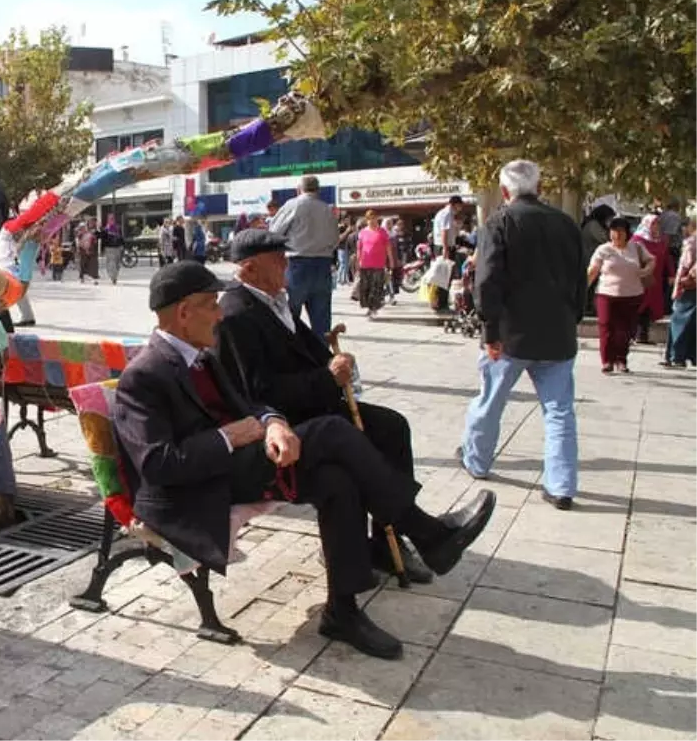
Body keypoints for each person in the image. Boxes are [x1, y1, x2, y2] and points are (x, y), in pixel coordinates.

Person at [115, 260, 496, 658]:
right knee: (330, 429)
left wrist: (274, 422)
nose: (220, 313)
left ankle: (342, 611)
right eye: (212, 304)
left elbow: (250, 403)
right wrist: (226, 438)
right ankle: (427, 533)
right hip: (196, 491)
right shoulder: (144, 375)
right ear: (183, 313)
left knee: (337, 481)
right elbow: (158, 465)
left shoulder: (201, 355)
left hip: (237, 465)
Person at [215, 230, 435, 583]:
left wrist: (337, 363)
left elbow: (309, 351)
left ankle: (387, 538)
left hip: (311, 405)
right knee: (348, 448)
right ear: (250, 268)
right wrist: (325, 379)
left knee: (391, 427)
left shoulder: (274, 301)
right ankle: (419, 529)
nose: (286, 266)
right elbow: (257, 392)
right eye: (278, 260)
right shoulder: (236, 314)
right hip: (285, 421)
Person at [460, 160, 586, 510]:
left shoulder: (498, 223)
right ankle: (561, 486)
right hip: (558, 333)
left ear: (504, 192)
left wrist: (490, 329)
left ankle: (477, 461)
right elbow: (580, 279)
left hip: (511, 335)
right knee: (560, 411)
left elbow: (486, 282)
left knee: (490, 401)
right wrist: (572, 317)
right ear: (539, 188)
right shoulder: (566, 224)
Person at [269, 175, 338, 339]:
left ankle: (291, 354)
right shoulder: (327, 209)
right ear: (318, 190)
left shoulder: (293, 205)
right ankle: (322, 357)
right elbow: (335, 239)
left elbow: (273, 233)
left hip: (296, 264)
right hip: (322, 264)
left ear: (298, 189)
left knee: (290, 316)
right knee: (321, 319)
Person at [588, 216, 655, 374]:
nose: (617, 234)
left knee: (624, 330)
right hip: (606, 294)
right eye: (613, 231)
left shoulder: (637, 247)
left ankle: (621, 359)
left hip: (632, 295)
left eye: (620, 231)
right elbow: (592, 271)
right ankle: (606, 361)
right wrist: (580, 289)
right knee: (606, 326)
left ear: (627, 233)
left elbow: (652, 260)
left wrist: (646, 270)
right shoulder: (603, 249)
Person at [632, 214, 673, 343]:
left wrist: (672, 274)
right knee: (638, 305)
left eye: (658, 224)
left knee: (650, 307)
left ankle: (643, 335)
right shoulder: (637, 239)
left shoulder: (661, 241)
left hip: (656, 280)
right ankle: (633, 334)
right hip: (641, 278)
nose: (656, 227)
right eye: (654, 224)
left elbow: (667, 258)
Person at [663, 217, 697, 368]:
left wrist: (680, 284)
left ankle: (676, 355)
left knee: (680, 320)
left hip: (689, 286)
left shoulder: (691, 242)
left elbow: (685, 265)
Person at [355, 211, 393, 318]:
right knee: (366, 287)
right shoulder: (362, 232)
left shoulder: (383, 232)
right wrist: (358, 262)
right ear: (367, 220)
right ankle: (368, 307)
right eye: (370, 218)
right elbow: (359, 248)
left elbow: (388, 247)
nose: (372, 221)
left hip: (378, 264)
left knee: (376, 287)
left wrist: (391, 262)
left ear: (377, 219)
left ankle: (374, 308)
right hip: (365, 264)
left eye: (374, 218)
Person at [101, 214, 124, 284]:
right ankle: (113, 277)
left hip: (117, 248)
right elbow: (103, 240)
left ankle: (115, 276)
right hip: (109, 248)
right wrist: (102, 249)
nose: (111, 220)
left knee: (117, 264)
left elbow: (121, 237)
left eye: (112, 219)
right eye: (110, 219)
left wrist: (122, 245)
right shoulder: (105, 229)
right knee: (111, 263)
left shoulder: (118, 228)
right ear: (108, 220)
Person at [77, 218, 99, 284]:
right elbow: (78, 242)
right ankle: (82, 278)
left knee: (92, 265)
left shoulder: (91, 232)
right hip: (83, 251)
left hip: (91, 251)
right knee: (82, 265)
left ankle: (94, 279)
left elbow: (94, 240)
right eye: (81, 228)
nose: (83, 228)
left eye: (84, 227)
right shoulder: (80, 234)